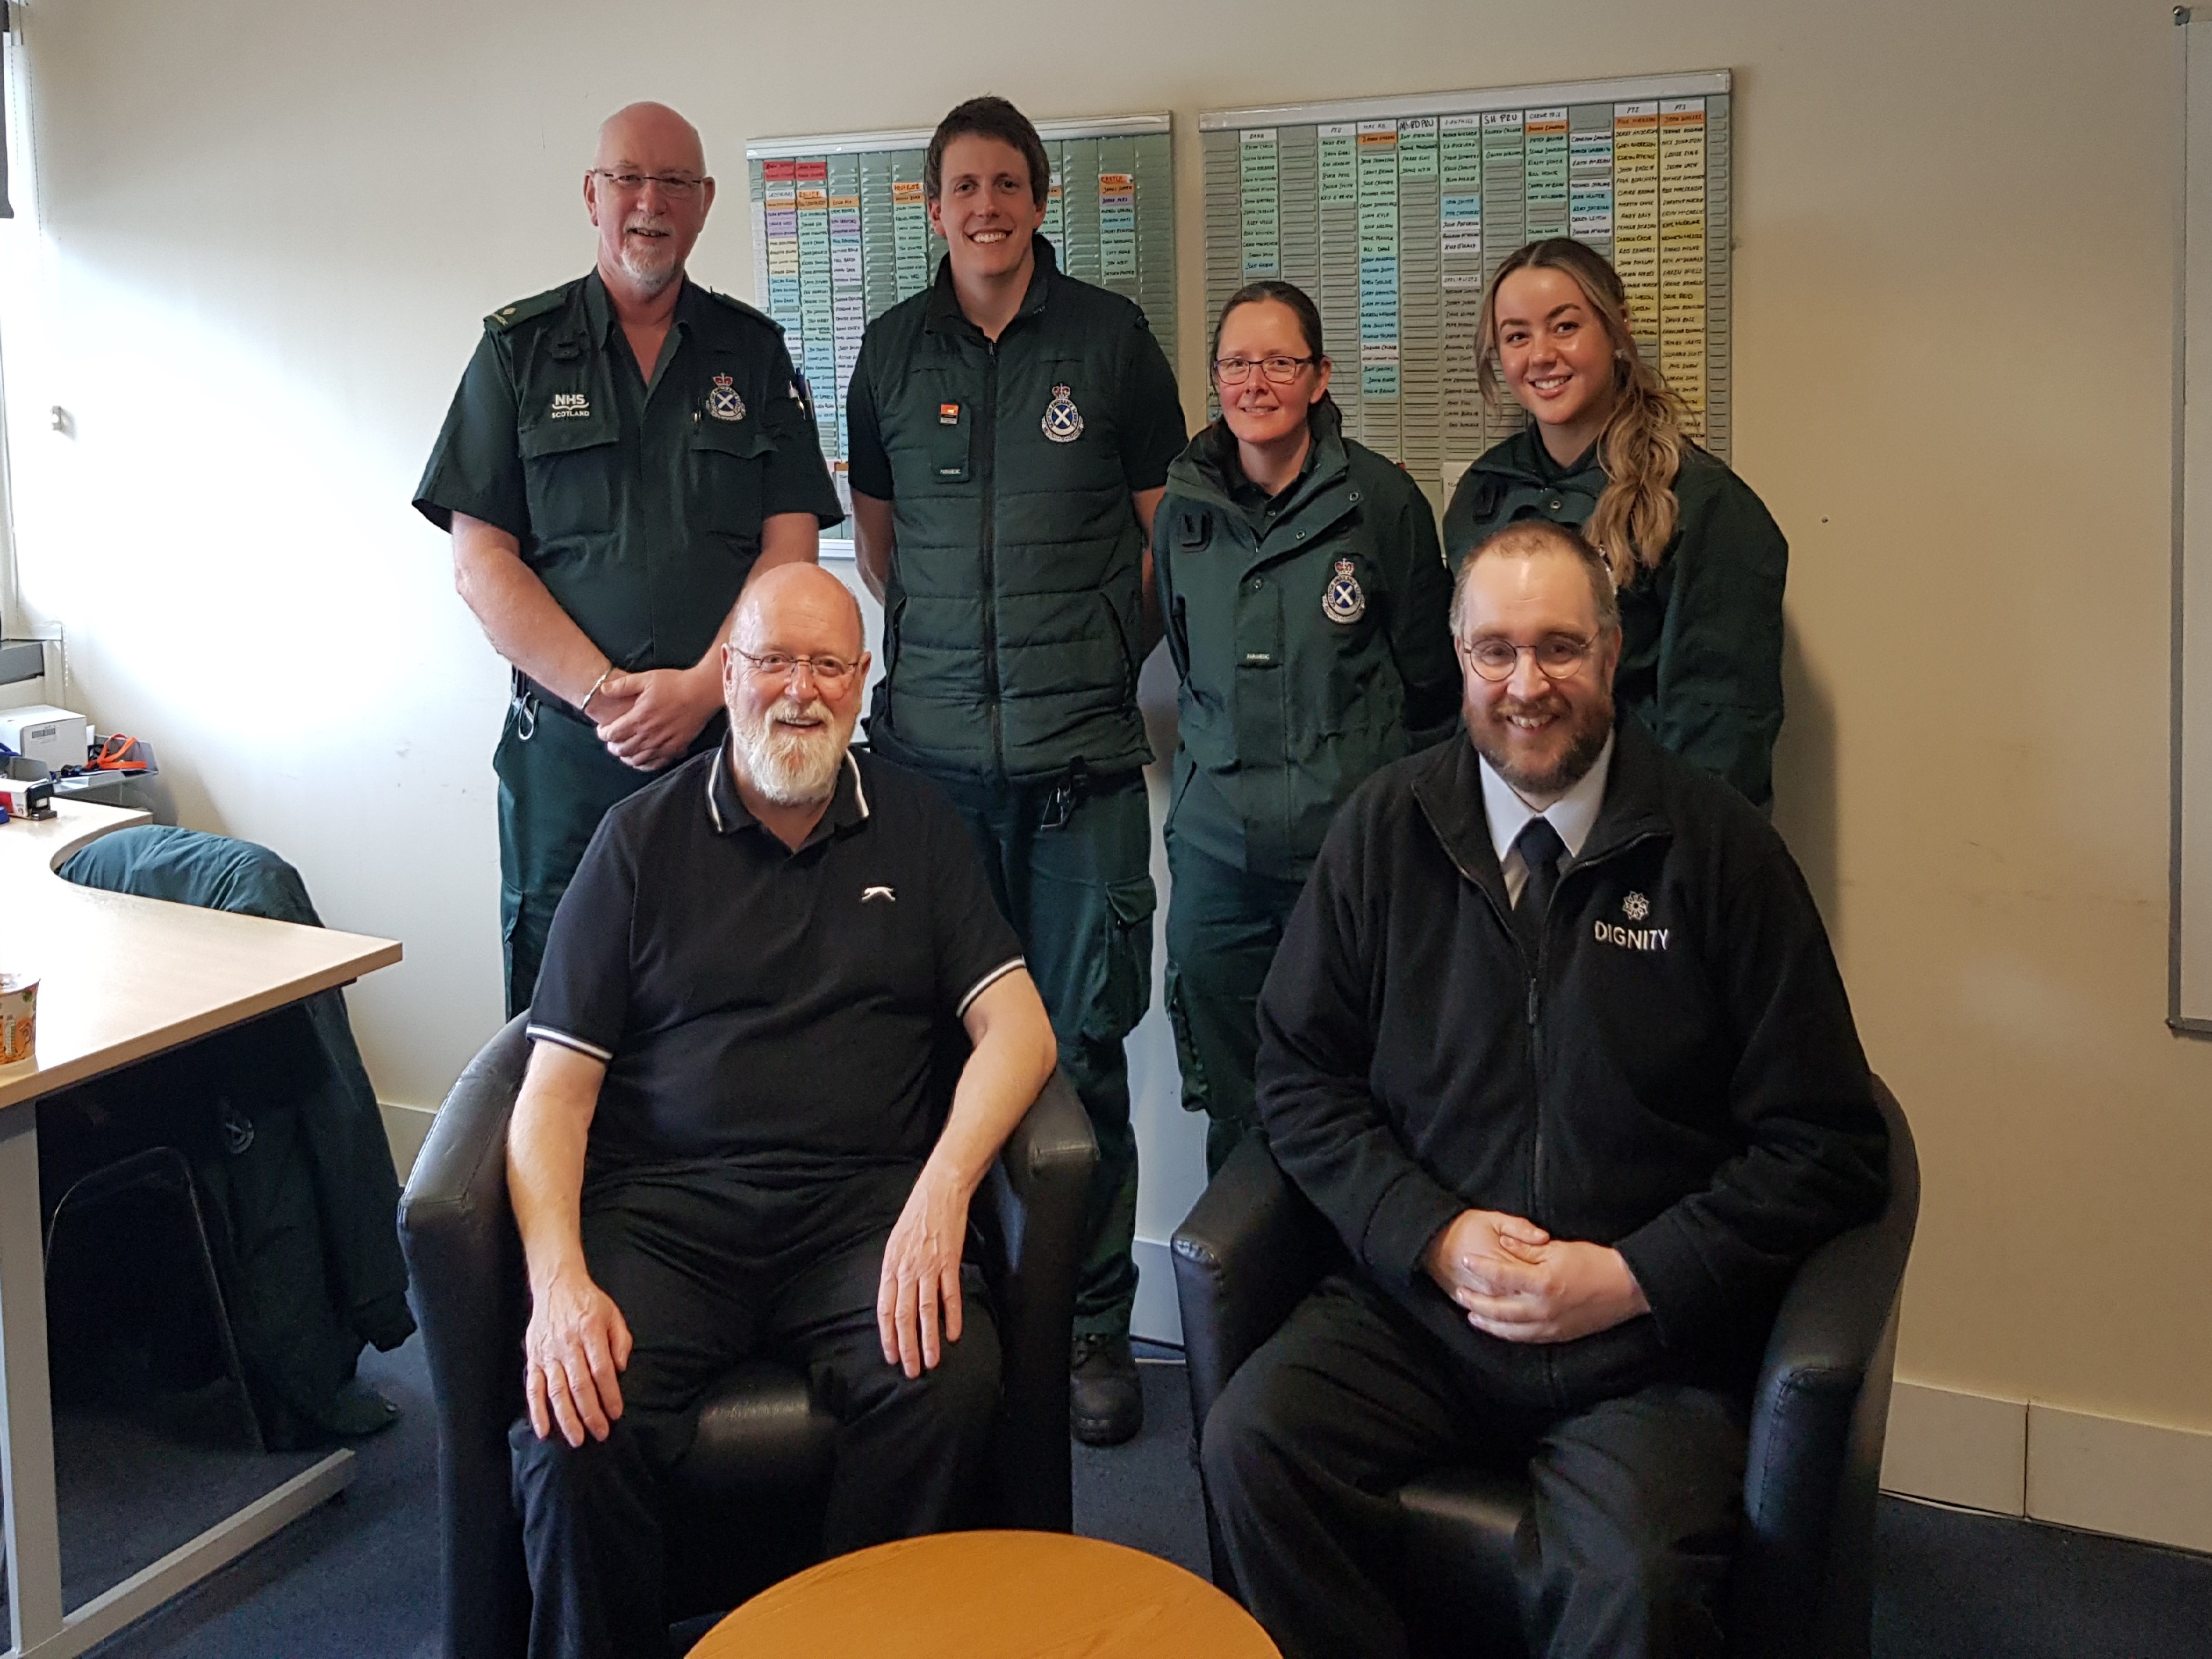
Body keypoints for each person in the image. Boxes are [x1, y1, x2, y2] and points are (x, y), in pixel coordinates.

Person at [1201, 519, 1888, 1659]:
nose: (1528, 685)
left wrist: (1631, 1277)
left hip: (1644, 1351)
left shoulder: (1720, 854)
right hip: (1422, 1314)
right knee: (1250, 1448)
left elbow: (1829, 1144)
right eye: (1497, 651)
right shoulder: (1386, 830)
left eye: (1561, 648)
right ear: (1460, 659)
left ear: (1612, 657)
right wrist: (1433, 1236)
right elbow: (1299, 1073)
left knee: (1630, 1583)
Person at [504, 563, 1059, 1659]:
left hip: (863, 1215)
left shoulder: (920, 827)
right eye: (768, 663)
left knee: (947, 1384)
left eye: (825, 666)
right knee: (573, 1424)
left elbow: (1022, 1033)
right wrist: (560, 1280)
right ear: (727, 673)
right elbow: (552, 1098)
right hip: (665, 1215)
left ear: (861, 682)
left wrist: (944, 1188)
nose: (796, 692)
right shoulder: (636, 843)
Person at [845, 95, 1187, 1447]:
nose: (984, 206)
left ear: (1040, 201)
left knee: (1084, 1053)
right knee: (936, 1056)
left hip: (1079, 774)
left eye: (1006, 184)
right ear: (932, 208)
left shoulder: (1107, 342)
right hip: (928, 780)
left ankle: (1093, 1327)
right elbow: (878, 550)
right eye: (961, 187)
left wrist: (1103, 647)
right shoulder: (887, 350)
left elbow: (1169, 534)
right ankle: (967, 1304)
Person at [416, 102, 843, 1017]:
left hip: (728, 745)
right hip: (569, 757)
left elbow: (791, 547)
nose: (651, 201)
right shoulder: (516, 354)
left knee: (738, 998)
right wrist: (609, 693)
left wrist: (700, 689)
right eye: (629, 180)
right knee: (559, 1013)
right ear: (593, 195)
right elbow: (481, 561)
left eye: (675, 183)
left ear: (704, 203)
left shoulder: (753, 354)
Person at [1154, 280, 1458, 1177]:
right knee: (1233, 1094)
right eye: (1237, 364)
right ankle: (1236, 1301)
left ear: (1320, 377)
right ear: (1214, 380)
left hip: (1349, 853)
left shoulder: (1382, 503)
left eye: (1280, 362)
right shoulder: (1186, 508)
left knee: (1359, 1086)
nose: (1257, 383)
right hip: (1218, 857)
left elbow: (1430, 689)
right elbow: (1183, 661)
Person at [1442, 237, 1788, 811]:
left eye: (1565, 327)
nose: (1541, 355)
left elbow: (1721, 725)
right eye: (1517, 335)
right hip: (1505, 827)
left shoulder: (1701, 503)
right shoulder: (1484, 495)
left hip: (1634, 825)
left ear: (1617, 331)